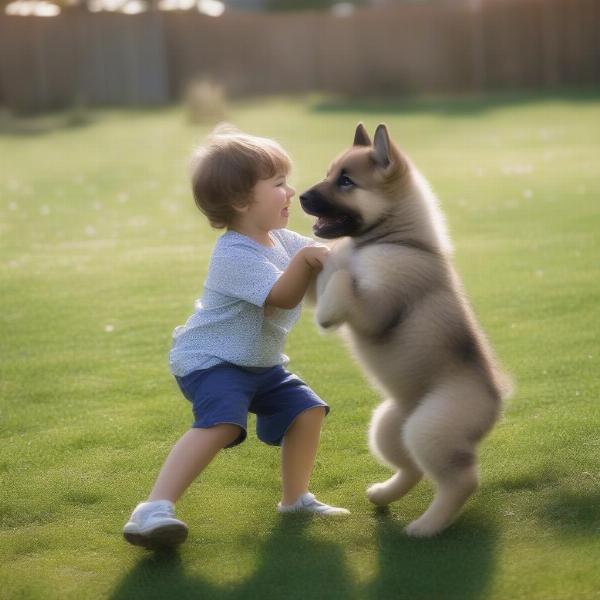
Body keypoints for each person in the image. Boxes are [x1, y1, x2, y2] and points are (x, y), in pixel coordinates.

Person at [123, 125, 349, 549]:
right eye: (279, 183)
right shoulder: (234, 254)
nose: (291, 191)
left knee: (308, 411)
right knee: (223, 423)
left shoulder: (281, 239)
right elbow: (283, 296)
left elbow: (330, 257)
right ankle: (152, 509)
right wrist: (306, 259)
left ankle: (295, 499)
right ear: (242, 200)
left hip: (261, 365)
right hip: (212, 361)